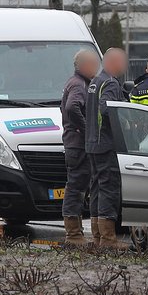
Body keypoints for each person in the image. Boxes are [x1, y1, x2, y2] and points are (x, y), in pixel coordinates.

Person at [85, 48, 127, 248]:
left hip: (92, 143)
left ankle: (97, 236)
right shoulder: (110, 82)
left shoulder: (95, 81)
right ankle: (108, 238)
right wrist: (124, 121)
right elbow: (106, 108)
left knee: (96, 188)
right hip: (106, 144)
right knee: (109, 189)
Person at [60, 49, 100, 245]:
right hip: (78, 146)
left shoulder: (77, 82)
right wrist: (88, 130)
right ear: (84, 65)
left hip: (74, 143)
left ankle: (76, 233)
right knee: (76, 188)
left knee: (77, 187)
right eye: (94, 64)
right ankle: (74, 235)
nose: (97, 68)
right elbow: (71, 107)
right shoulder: (79, 84)